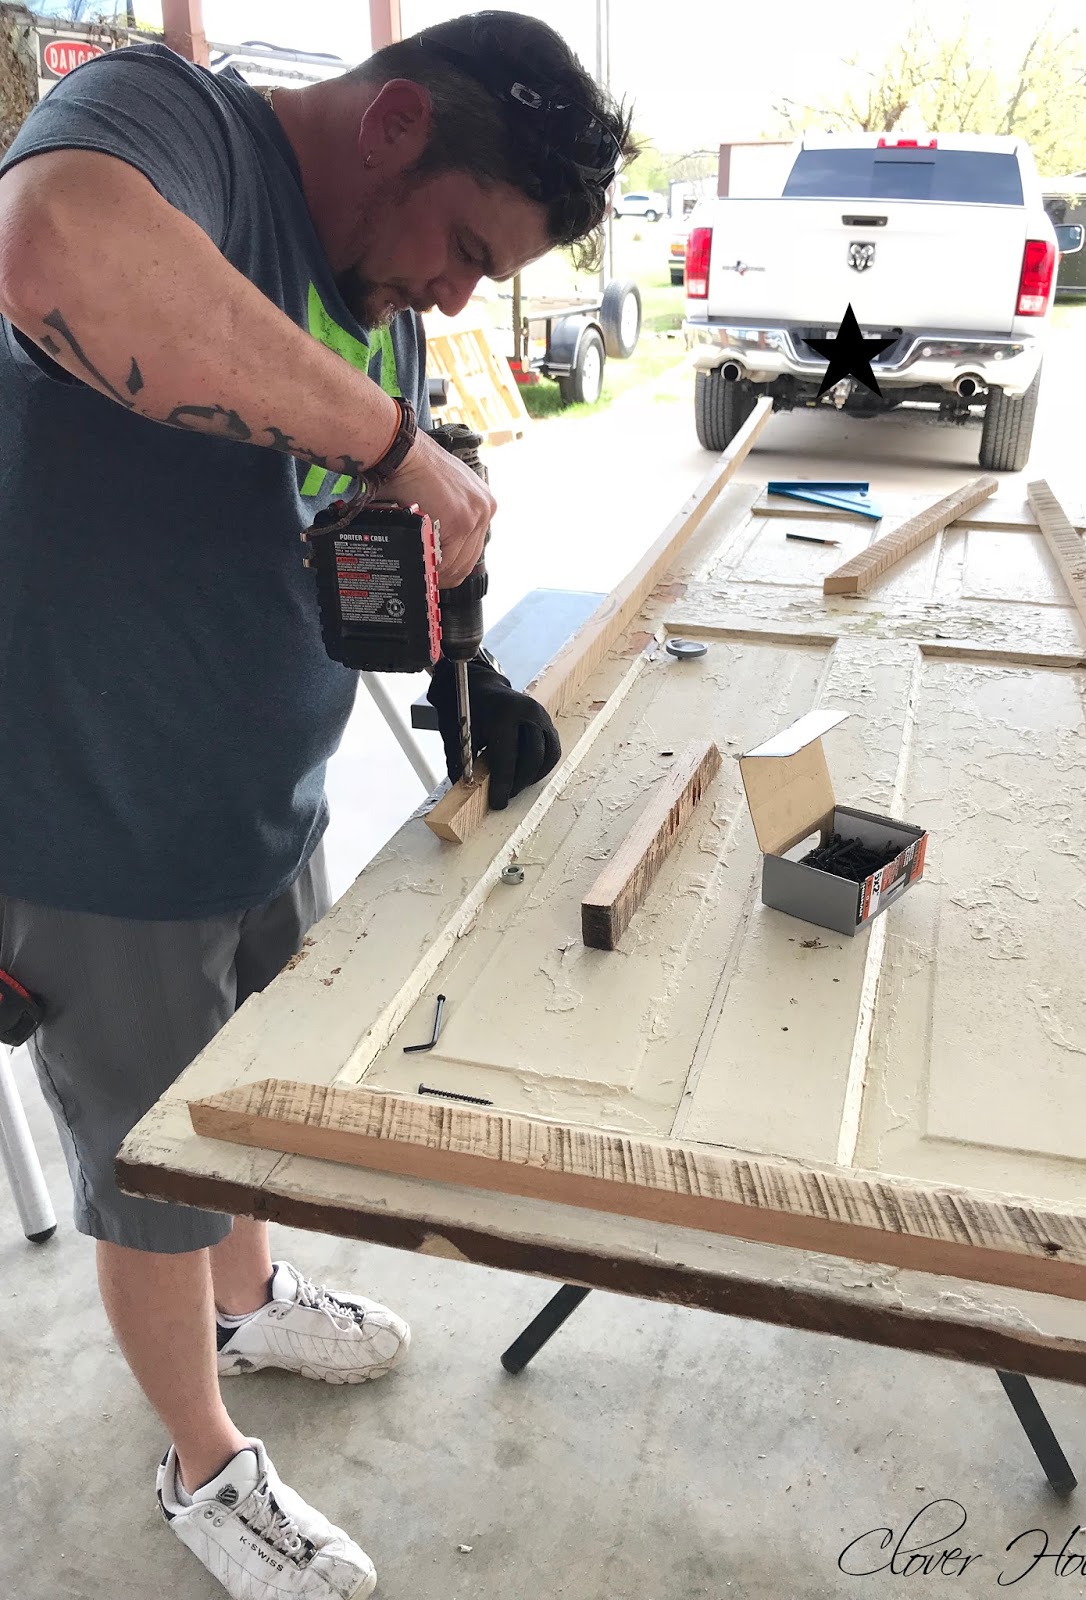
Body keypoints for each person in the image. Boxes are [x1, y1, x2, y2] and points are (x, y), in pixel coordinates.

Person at [0, 11, 634, 1598]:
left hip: (265, 792)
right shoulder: (179, 127)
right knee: (152, 1169)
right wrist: (396, 443)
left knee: (250, 1108)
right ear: (395, 124)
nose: (458, 297)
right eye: (466, 249)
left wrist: (465, 654)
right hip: (96, 816)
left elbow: (360, 526)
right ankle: (202, 1462)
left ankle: (253, 1302)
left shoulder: (378, 299)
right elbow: (52, 247)